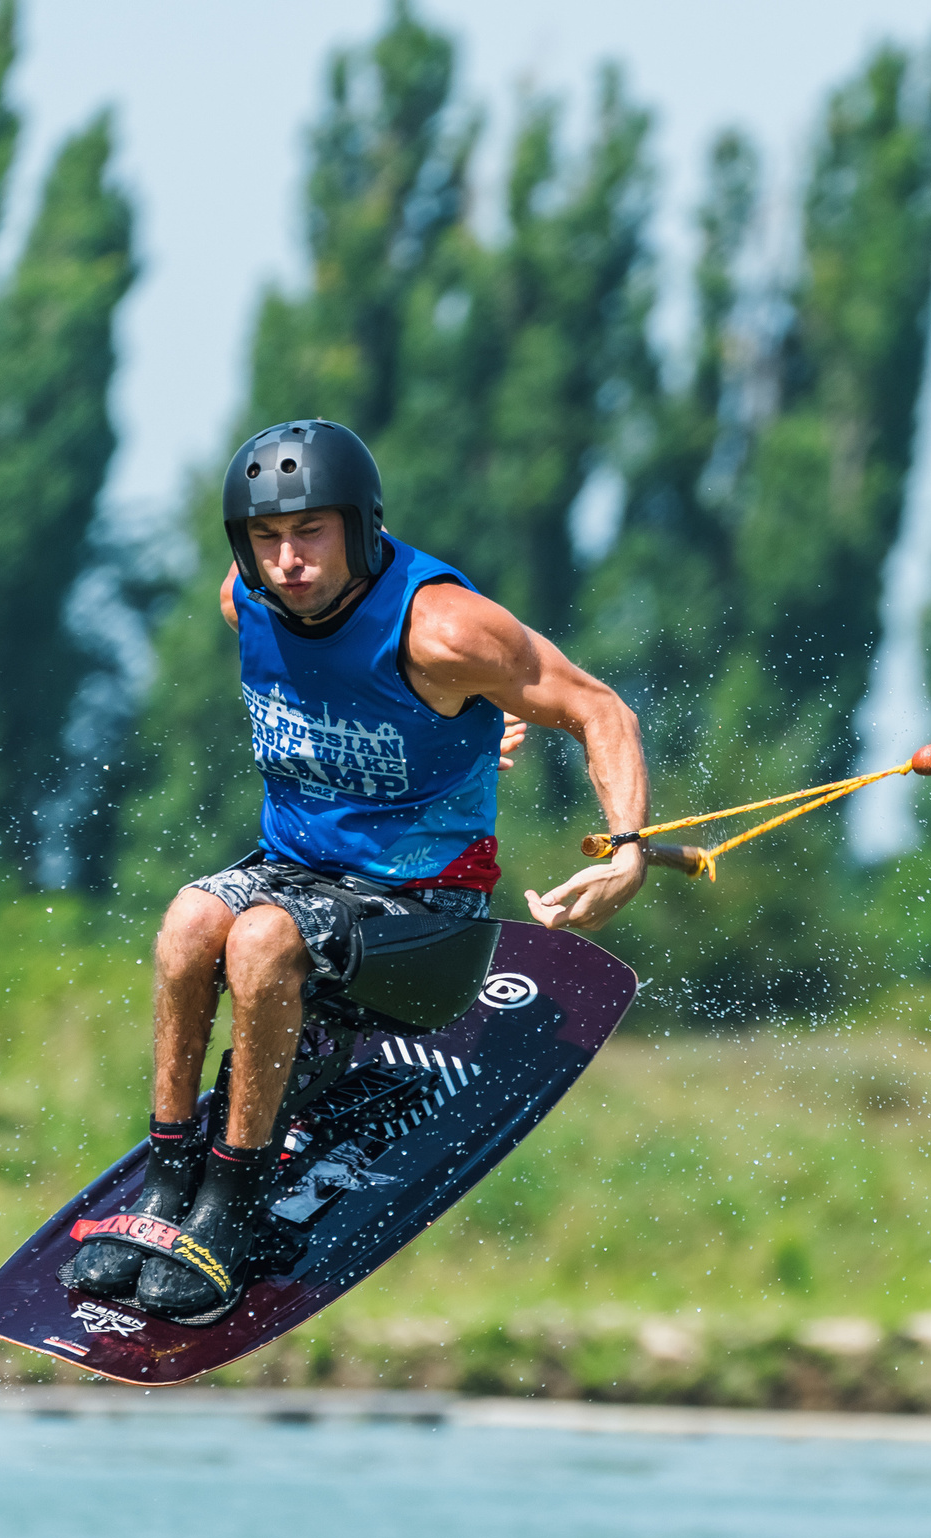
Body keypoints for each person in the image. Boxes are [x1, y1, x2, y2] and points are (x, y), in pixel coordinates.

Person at [62, 418, 651, 1324]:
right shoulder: (244, 599)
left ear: (362, 529)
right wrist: (455, 741)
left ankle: (232, 1205)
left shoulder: (443, 632)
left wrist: (627, 849)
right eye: (267, 538)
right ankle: (169, 1174)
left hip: (429, 918)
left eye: (311, 533)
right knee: (188, 922)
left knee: (261, 941)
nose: (288, 559)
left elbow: (598, 709)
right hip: (299, 874)